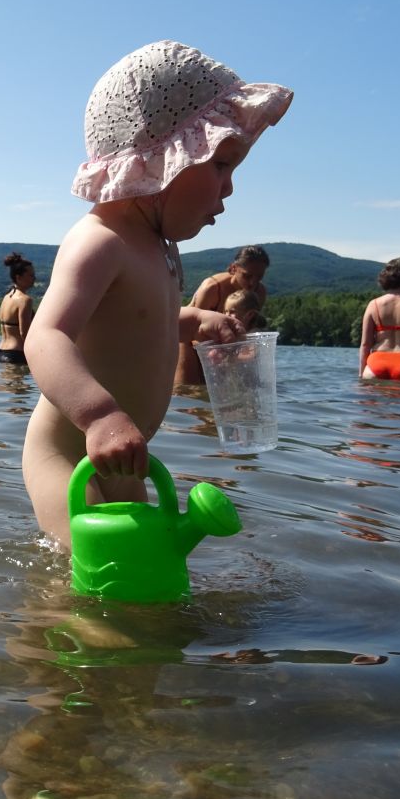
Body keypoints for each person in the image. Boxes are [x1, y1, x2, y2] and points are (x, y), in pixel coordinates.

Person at [22, 40, 292, 548]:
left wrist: (195, 322)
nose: (229, 188)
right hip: (70, 453)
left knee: (140, 588)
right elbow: (47, 336)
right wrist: (99, 416)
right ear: (162, 157)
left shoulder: (161, 249)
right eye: (220, 165)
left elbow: (142, 322)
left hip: (122, 454)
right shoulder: (99, 241)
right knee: (92, 585)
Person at [174, 244, 271, 385]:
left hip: (223, 344)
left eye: (259, 277)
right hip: (189, 339)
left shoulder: (259, 293)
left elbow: (249, 328)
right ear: (233, 268)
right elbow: (194, 329)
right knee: (189, 388)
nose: (252, 283)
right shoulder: (212, 288)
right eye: (247, 276)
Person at [0, 252, 37, 364]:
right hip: (16, 355)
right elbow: (24, 333)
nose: (34, 278)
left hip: (1, 353)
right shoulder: (25, 300)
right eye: (31, 275)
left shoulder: (6, 298)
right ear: (18, 277)